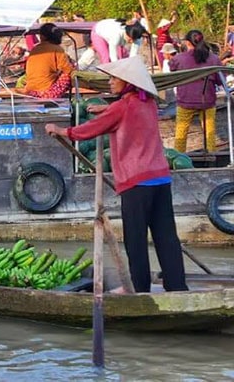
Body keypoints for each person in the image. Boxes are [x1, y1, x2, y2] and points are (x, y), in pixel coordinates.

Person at [45, 57, 187, 293]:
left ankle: (138, 289)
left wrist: (61, 130)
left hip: (137, 182)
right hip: (161, 179)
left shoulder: (122, 107)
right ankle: (178, 287)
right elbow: (123, 113)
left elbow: (91, 129)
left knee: (135, 239)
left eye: (114, 78)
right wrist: (106, 109)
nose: (110, 82)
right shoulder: (148, 102)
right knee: (166, 237)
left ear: (128, 82)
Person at [169, 30, 224, 154]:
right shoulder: (213, 59)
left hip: (185, 101)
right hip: (207, 101)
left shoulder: (179, 59)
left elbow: (172, 70)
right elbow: (220, 81)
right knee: (209, 132)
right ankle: (211, 157)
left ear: (188, 43)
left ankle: (178, 158)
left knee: (181, 132)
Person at [23, 23, 75, 98]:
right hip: (46, 91)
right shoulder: (57, 49)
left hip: (30, 90)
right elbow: (67, 70)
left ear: (42, 37)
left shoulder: (35, 49)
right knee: (70, 72)